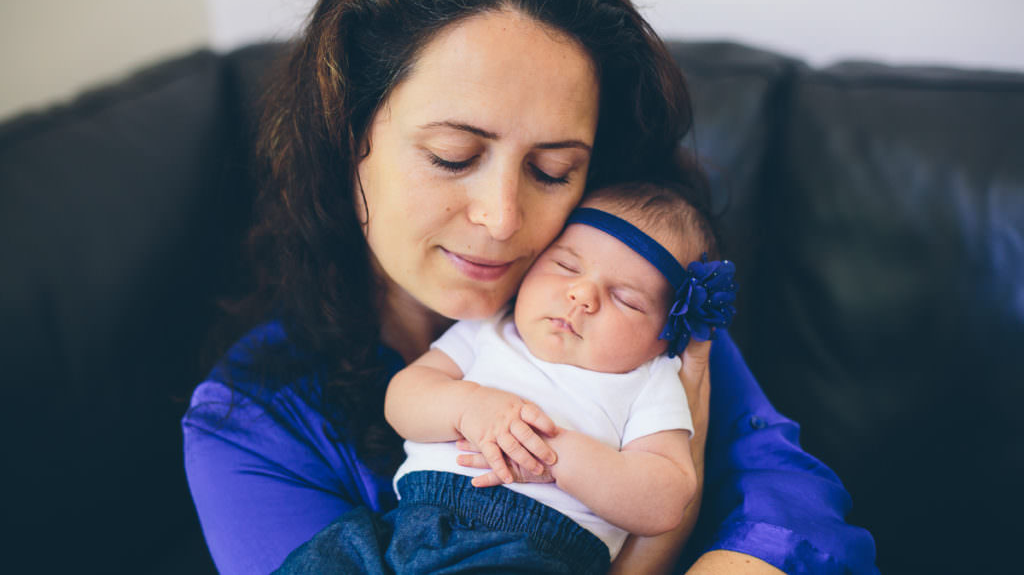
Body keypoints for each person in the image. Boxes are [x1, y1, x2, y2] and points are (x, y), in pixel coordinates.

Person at [182, 0, 878, 574]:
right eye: (453, 156)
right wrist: (651, 553)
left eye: (552, 170)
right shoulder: (250, 424)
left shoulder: (624, 302)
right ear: (344, 134)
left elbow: (795, 513)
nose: (504, 218)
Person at [273, 183, 733, 573]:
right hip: (408, 524)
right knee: (325, 558)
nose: (581, 295)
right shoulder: (491, 328)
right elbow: (403, 399)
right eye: (566, 266)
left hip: (534, 549)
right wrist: (469, 407)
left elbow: (665, 500)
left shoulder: (649, 381)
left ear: (663, 339)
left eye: (626, 299)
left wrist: (554, 456)